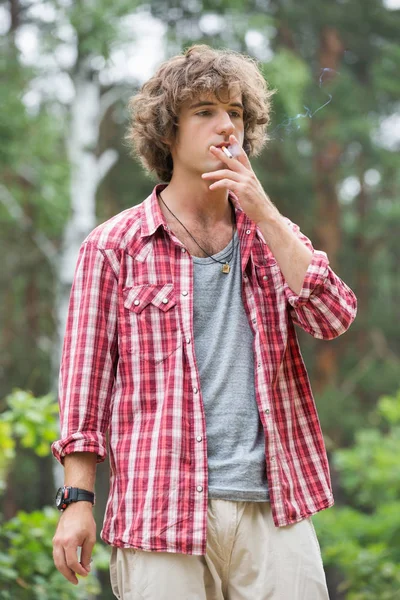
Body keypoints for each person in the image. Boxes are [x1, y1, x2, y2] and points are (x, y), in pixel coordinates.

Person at [52, 44, 357, 600]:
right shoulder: (113, 246)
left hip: (275, 506)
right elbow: (84, 387)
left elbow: (334, 317)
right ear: (169, 131)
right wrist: (77, 502)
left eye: (236, 112)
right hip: (158, 510)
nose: (226, 127)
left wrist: (265, 214)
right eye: (205, 112)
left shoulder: (272, 235)